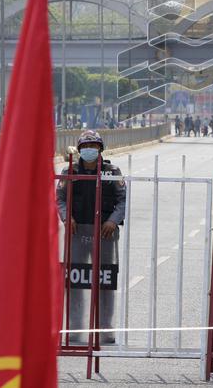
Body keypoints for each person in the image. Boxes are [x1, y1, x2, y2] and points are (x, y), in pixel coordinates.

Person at [56, 130, 127, 345]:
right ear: (79, 150)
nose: (90, 150)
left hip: (105, 232)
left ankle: (105, 329)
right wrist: (67, 218)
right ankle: (74, 329)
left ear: (101, 149)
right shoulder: (69, 171)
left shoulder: (112, 171)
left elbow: (123, 200)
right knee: (74, 281)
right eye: (86, 146)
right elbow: (59, 199)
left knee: (105, 281)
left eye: (94, 146)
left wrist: (113, 220)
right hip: (77, 233)